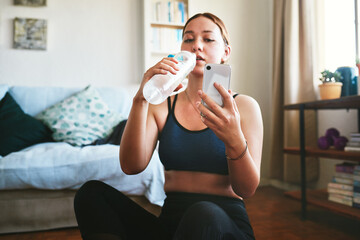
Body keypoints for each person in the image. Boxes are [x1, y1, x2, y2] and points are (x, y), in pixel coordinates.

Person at [74, 12, 263, 240]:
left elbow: (247, 189)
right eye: (189, 39)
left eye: (208, 39)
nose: (197, 46)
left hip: (224, 224)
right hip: (171, 225)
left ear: (225, 52)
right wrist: (141, 99)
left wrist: (233, 139)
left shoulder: (244, 106)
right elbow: (131, 166)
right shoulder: (162, 104)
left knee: (203, 213)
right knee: (91, 194)